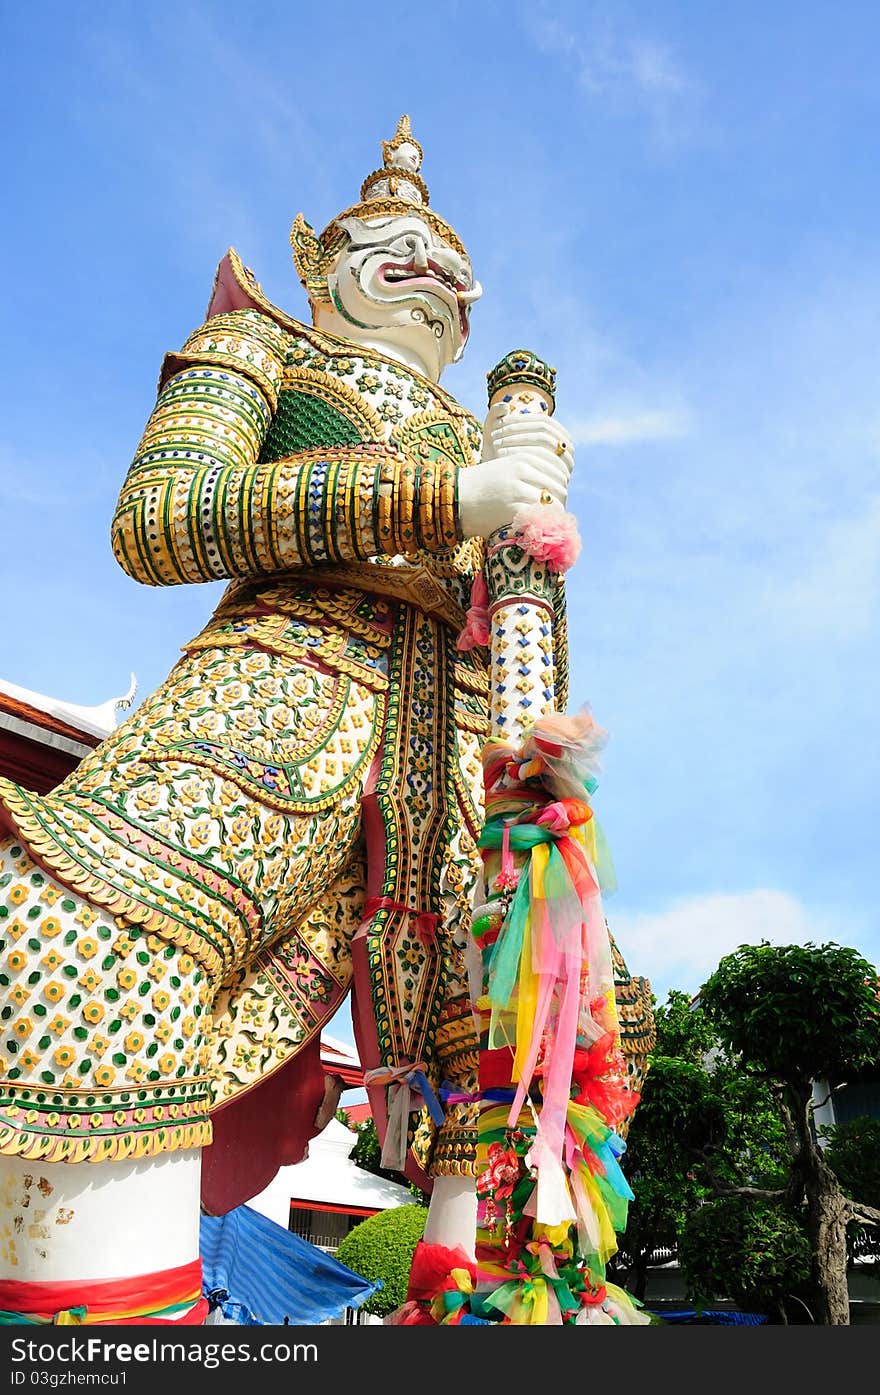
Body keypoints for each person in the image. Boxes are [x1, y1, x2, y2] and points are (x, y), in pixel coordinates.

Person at [0, 118, 578, 1215]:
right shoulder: (264, 350)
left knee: (525, 1041)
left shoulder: (495, 431)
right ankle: (108, 1331)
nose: (436, 275)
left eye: (454, 267)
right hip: (276, 690)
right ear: (320, 269)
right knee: (78, 949)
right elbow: (163, 521)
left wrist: (529, 553)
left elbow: (526, 644)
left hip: (458, 755)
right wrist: (445, 501)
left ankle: (481, 1306)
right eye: (395, 245)